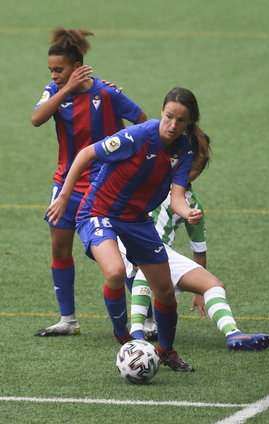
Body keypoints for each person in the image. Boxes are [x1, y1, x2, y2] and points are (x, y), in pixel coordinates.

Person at [46, 87, 211, 372]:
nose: (172, 125)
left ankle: (167, 351)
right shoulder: (139, 135)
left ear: (190, 122)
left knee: (165, 292)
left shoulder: (183, 151)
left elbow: (177, 197)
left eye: (180, 120)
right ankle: (124, 338)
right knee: (115, 272)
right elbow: (86, 154)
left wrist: (189, 213)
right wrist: (63, 196)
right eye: (169, 116)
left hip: (137, 219)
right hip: (99, 212)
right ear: (162, 110)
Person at [31, 28, 147, 337]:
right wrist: (65, 89)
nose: (54, 75)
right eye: (51, 70)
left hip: (102, 187)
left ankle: (142, 320)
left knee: (120, 255)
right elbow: (36, 118)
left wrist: (126, 160)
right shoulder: (55, 93)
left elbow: (144, 124)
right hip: (65, 183)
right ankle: (68, 320)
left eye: (60, 70)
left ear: (77, 66)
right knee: (59, 248)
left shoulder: (107, 94)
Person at [127, 141, 269, 352]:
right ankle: (136, 336)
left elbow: (199, 249)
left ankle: (233, 334)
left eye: (195, 168)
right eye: (186, 164)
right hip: (128, 239)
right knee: (147, 262)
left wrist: (198, 293)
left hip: (160, 251)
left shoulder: (193, 204)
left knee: (214, 285)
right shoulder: (152, 176)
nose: (188, 171)